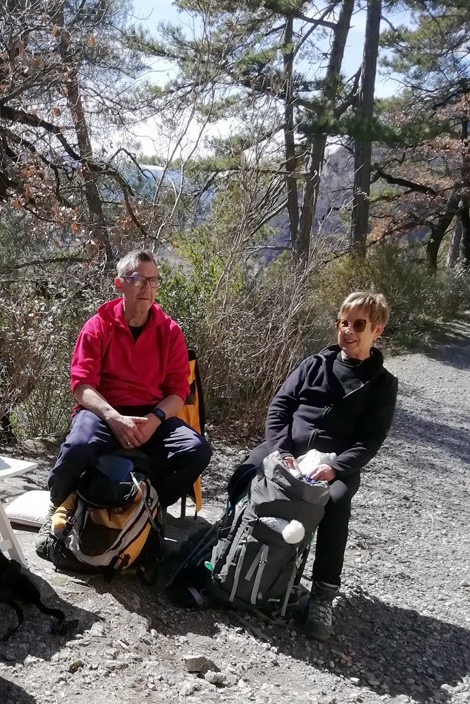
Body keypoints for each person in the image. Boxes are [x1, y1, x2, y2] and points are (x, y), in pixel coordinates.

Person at [227, 291, 398, 640]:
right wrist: (282, 450)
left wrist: (336, 468)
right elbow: (279, 408)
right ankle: (227, 542)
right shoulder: (314, 365)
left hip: (334, 463)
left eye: (358, 324)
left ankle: (322, 594)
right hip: (288, 447)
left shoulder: (382, 385)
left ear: (377, 330)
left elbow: (370, 440)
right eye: (343, 323)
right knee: (247, 471)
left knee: (335, 503)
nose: (348, 331)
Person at [42, 249, 212, 538]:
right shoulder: (98, 326)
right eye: (138, 280)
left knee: (196, 450)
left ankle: (143, 506)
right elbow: (82, 385)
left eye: (153, 280)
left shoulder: (169, 331)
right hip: (103, 411)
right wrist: (113, 417)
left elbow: (177, 392)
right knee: (78, 446)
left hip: (151, 413)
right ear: (119, 284)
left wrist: (155, 419)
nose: (147, 288)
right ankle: (60, 502)